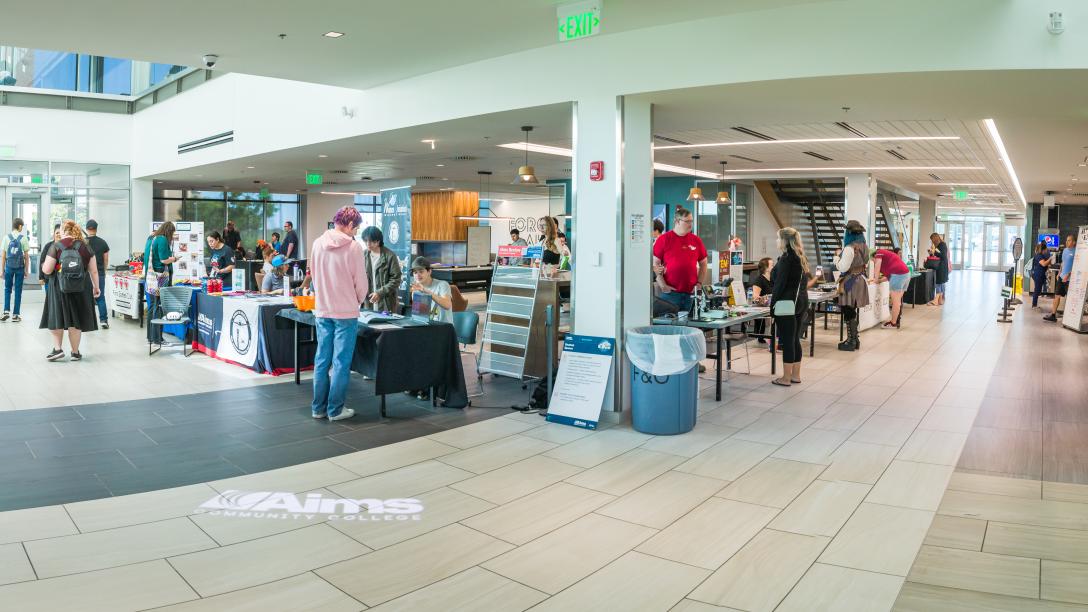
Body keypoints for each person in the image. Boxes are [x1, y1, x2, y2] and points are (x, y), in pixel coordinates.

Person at [310, 206, 368, 421]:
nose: (356, 232)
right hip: (346, 312)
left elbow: (314, 276)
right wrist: (357, 301)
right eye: (356, 227)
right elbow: (361, 282)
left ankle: (318, 408)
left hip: (323, 310)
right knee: (341, 363)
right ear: (350, 225)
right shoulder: (354, 247)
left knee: (322, 360)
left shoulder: (317, 243)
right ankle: (335, 410)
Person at [40, 220, 100, 361]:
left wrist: (44, 266)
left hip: (59, 288)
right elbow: (94, 271)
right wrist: (96, 288)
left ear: (63, 231)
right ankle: (75, 352)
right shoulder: (85, 247)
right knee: (76, 321)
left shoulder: (56, 246)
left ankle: (58, 349)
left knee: (57, 316)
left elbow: (47, 270)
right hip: (81, 288)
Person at [770, 227, 810, 386]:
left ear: (785, 240)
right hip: (800, 302)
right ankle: (795, 375)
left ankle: (786, 378)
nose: (777, 241)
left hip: (787, 303)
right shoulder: (800, 257)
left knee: (787, 340)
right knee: (794, 339)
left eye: (778, 238)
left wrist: (772, 306)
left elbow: (779, 284)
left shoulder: (786, 259)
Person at [652, 206, 708, 312]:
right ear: (677, 221)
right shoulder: (663, 239)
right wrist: (663, 285)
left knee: (692, 326)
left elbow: (703, 264)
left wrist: (699, 283)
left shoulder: (696, 240)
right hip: (670, 294)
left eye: (691, 221)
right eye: (687, 221)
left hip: (691, 294)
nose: (690, 224)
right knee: (670, 327)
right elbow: (655, 265)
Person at [834, 220, 870, 351]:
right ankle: (855, 339)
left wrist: (836, 258)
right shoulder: (864, 246)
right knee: (852, 310)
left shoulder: (849, 248)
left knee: (848, 310)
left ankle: (851, 341)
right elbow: (865, 262)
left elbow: (843, 267)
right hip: (859, 279)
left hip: (850, 281)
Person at [360, 226, 402, 314]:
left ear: (378, 241)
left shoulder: (390, 256)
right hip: (367, 301)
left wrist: (380, 293)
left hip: (386, 301)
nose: (368, 244)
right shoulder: (362, 255)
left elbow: (396, 279)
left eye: (371, 241)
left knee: (384, 326)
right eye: (365, 241)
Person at [1, 217, 30, 322]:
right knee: (18, 290)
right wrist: (26, 270)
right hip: (19, 268)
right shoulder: (23, 238)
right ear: (20, 226)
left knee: (7, 289)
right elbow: (26, 256)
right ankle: (16, 315)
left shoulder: (6, 237)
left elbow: (3, 256)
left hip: (9, 267)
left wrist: (2, 270)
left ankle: (6, 311)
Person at [873, 247, 909, 329]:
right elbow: (888, 276)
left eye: (873, 260)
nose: (873, 262)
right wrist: (879, 280)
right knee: (898, 301)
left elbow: (877, 266)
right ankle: (896, 320)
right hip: (906, 274)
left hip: (898, 275)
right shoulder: (889, 260)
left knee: (896, 302)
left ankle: (893, 323)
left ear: (873, 256)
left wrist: (875, 279)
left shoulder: (879, 252)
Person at [84, 219, 111, 329]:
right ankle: (103, 320)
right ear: (96, 229)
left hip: (86, 274)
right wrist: (104, 271)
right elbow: (106, 259)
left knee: (86, 297)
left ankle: (87, 321)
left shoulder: (83, 242)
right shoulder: (102, 242)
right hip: (99, 273)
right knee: (100, 297)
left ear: (86, 229)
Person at [1044, 234, 1076, 322]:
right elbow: (1063, 263)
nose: (1067, 242)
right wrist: (1059, 272)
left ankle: (1070, 318)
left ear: (1074, 242)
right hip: (1061, 277)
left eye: (1069, 240)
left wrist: (1068, 275)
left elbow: (1076, 266)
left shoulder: (1076, 252)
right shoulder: (1065, 250)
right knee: (1056, 296)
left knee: (1070, 298)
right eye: (1066, 240)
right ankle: (1053, 315)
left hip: (1069, 279)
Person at [750, 256, 774, 342]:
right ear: (766, 268)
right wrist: (763, 299)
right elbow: (755, 297)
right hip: (762, 307)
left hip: (772, 305)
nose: (774, 267)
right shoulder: (759, 280)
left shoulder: (773, 279)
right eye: (772, 265)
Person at [926, 232, 950, 306]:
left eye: (932, 239)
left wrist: (934, 251)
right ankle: (940, 299)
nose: (932, 241)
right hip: (940, 265)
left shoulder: (942, 245)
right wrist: (931, 253)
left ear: (935, 238)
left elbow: (942, 255)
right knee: (941, 282)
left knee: (939, 282)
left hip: (941, 266)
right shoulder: (938, 245)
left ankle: (938, 299)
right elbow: (936, 255)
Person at [1030, 241, 1053, 309]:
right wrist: (1050, 258)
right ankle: (1034, 305)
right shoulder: (1039, 256)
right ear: (1043, 249)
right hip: (1037, 274)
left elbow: (1046, 264)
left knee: (1038, 289)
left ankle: (1035, 304)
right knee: (1037, 290)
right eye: (1046, 249)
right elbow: (1044, 264)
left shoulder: (1041, 256)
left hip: (1040, 274)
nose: (1047, 250)